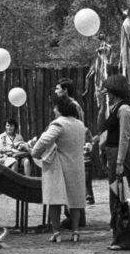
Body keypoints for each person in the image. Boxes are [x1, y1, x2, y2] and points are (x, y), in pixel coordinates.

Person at [31, 93, 90, 241]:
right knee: (76, 200)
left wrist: (35, 152)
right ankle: (75, 231)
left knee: (54, 199)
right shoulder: (80, 125)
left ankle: (56, 232)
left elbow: (43, 141)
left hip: (58, 167)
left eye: (55, 108)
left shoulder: (58, 124)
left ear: (59, 109)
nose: (54, 110)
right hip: (77, 165)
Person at [99, 74, 130, 251]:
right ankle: (118, 236)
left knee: (120, 198)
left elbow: (124, 137)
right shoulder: (116, 108)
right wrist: (101, 106)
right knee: (115, 197)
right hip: (112, 155)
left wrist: (120, 163)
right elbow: (103, 128)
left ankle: (124, 238)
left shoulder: (124, 110)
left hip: (119, 156)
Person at [54, 78, 96, 205]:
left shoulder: (72, 105)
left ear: (65, 90)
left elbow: (75, 125)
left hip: (76, 140)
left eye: (58, 88)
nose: (55, 91)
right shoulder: (66, 104)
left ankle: (85, 197)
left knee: (82, 167)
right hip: (75, 141)